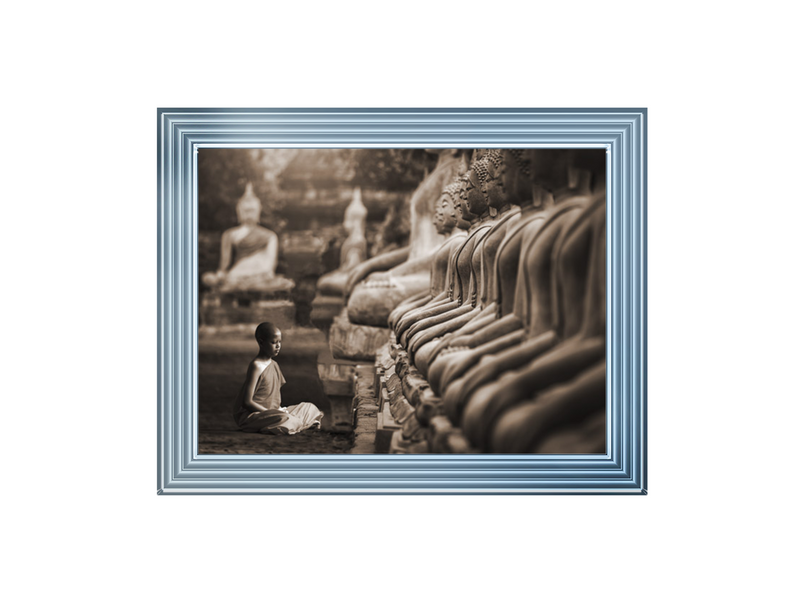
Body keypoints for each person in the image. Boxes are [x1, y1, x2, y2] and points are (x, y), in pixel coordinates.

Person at [232, 323, 323, 434]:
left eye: (280, 342)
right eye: (274, 342)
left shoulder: (274, 364)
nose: (278, 346)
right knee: (287, 419)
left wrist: (279, 410)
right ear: (261, 342)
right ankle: (293, 424)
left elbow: (274, 398)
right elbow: (247, 402)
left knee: (310, 408)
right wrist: (270, 413)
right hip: (256, 415)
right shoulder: (256, 365)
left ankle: (292, 424)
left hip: (275, 413)